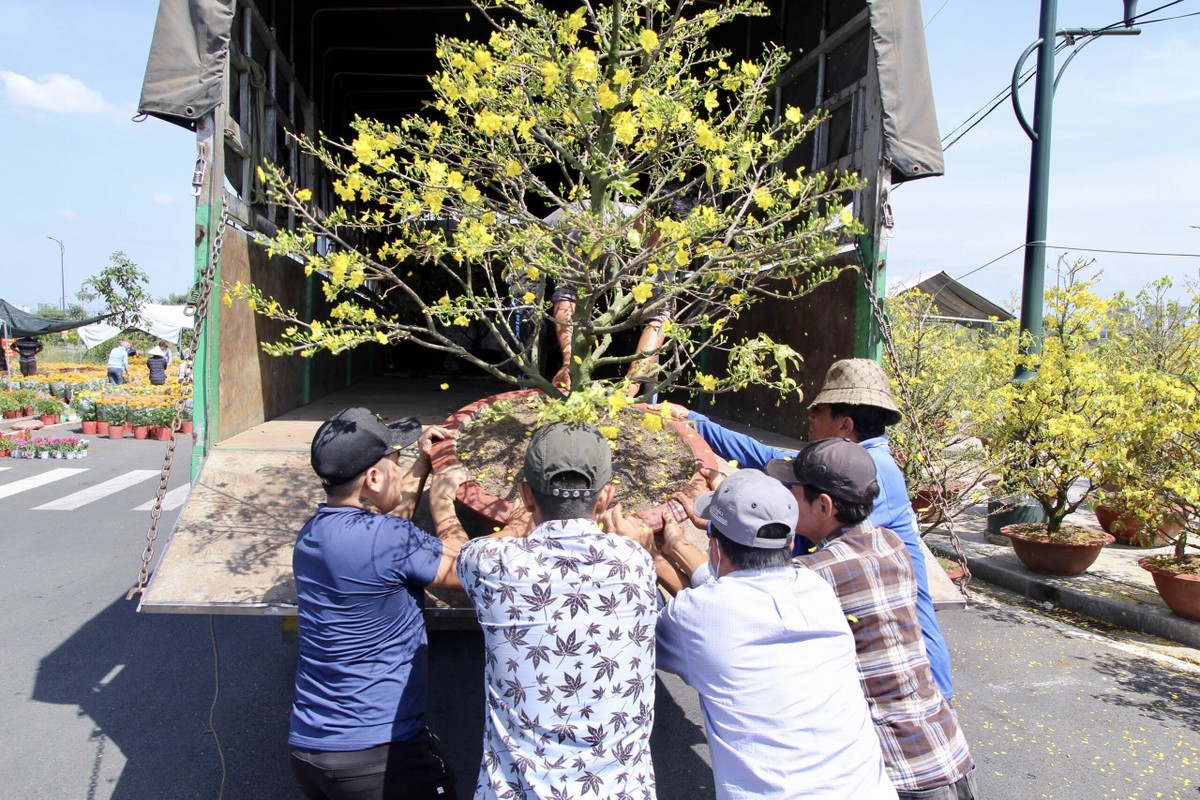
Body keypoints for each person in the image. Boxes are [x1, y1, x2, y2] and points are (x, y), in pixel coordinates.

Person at [666, 357, 957, 701]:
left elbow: (766, 575)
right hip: (883, 672)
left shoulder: (866, 481)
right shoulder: (857, 466)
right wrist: (697, 423)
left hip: (896, 682)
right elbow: (771, 458)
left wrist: (702, 530)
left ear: (845, 425)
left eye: (817, 413)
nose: (808, 420)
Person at [651, 469, 896, 799]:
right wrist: (677, 547)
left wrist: (638, 559)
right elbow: (733, 602)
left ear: (715, 547)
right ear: (791, 542)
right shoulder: (817, 590)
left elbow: (638, 634)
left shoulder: (697, 614)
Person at [455, 422, 658, 800]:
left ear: (526, 495)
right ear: (605, 498)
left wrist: (513, 528)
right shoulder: (635, 562)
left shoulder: (489, 563)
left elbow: (466, 552)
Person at [767, 439, 978, 800]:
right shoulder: (891, 545)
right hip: (948, 751)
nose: (787, 500)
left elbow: (736, 607)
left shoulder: (813, 576)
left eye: (794, 492)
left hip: (897, 773)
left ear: (824, 505)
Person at [290, 406, 470, 800]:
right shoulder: (383, 539)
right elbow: (464, 570)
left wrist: (422, 464)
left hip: (312, 749)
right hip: (380, 756)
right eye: (396, 461)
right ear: (373, 477)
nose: (400, 467)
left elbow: (390, 529)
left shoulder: (314, 535)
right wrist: (442, 503)